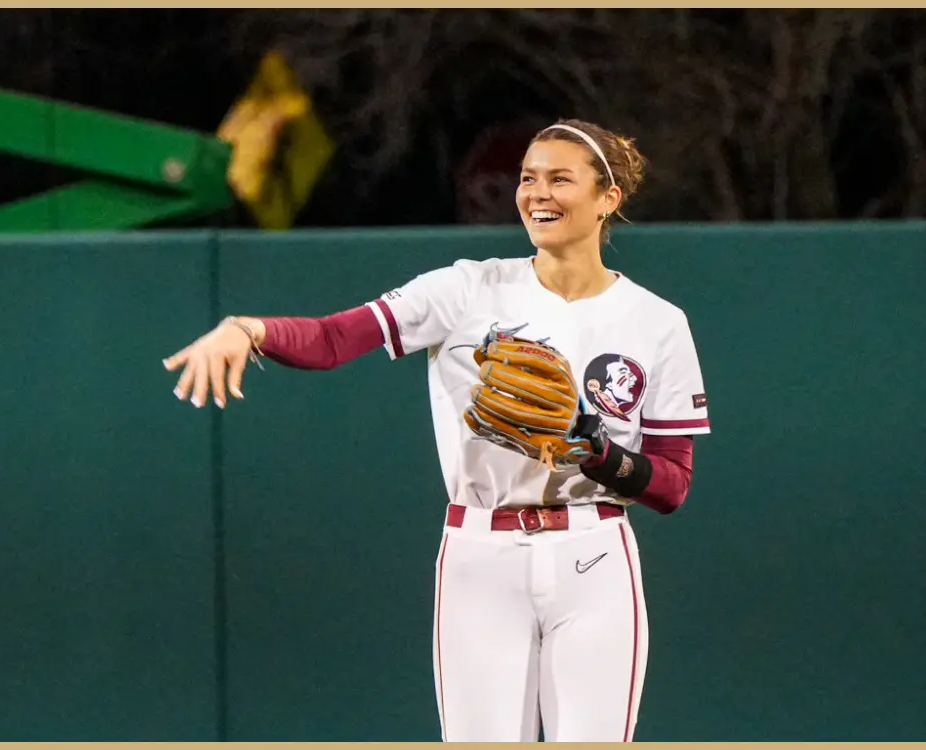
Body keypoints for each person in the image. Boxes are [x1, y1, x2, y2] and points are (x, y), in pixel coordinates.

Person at [161, 118, 711, 742]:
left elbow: (671, 486)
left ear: (608, 198)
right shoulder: (466, 289)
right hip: (481, 554)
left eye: (561, 179)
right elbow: (335, 337)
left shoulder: (658, 321)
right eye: (529, 179)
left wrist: (596, 449)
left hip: (595, 556)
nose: (538, 194)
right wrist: (248, 329)